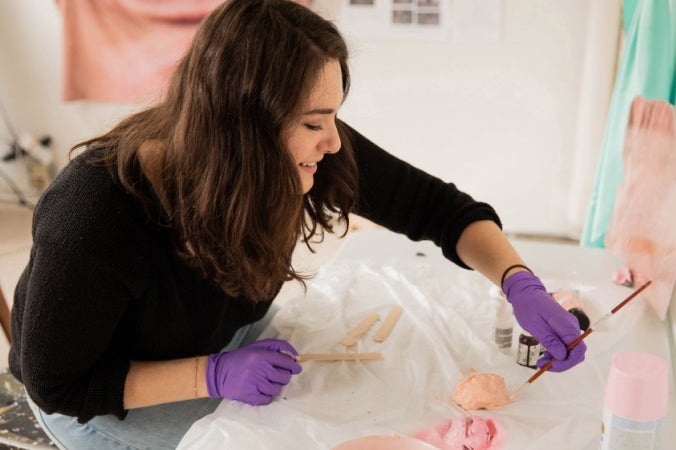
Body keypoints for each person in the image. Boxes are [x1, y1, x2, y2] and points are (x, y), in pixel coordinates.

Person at [9, 0, 586, 448]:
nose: (333, 142)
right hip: (111, 399)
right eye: (315, 123)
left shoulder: (302, 146)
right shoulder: (93, 214)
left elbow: (438, 208)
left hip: (229, 347)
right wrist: (207, 377)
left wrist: (517, 281)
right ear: (244, 129)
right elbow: (58, 384)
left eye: (333, 116)